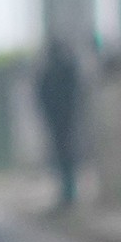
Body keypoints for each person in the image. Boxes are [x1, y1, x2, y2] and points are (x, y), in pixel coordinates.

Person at [34, 34, 85, 210]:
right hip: (63, 121)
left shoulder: (53, 72)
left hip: (61, 122)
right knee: (65, 158)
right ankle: (67, 193)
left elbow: (42, 95)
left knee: (65, 158)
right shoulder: (63, 70)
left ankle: (68, 193)